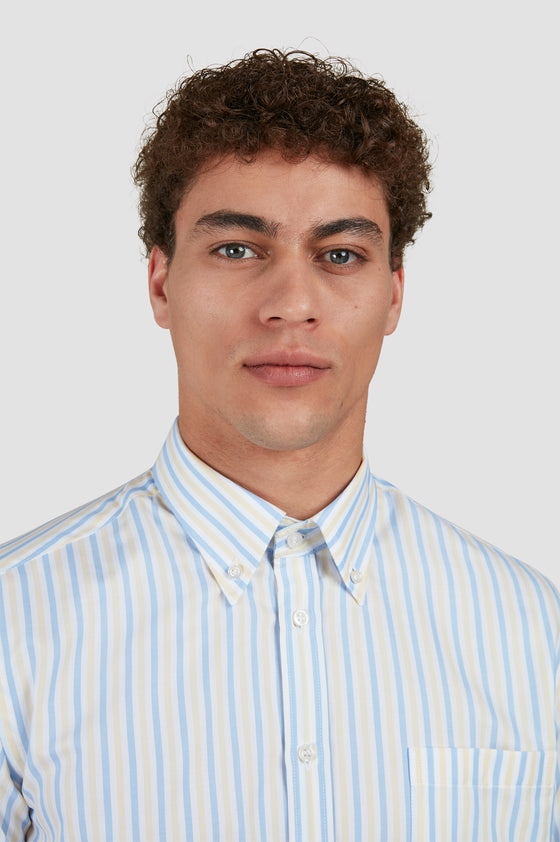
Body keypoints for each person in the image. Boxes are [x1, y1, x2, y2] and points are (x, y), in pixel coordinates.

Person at [0, 48, 558, 842]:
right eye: (237, 248)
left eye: (341, 255)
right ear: (160, 283)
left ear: (394, 294)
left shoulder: (533, 632)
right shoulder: (16, 623)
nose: (292, 303)